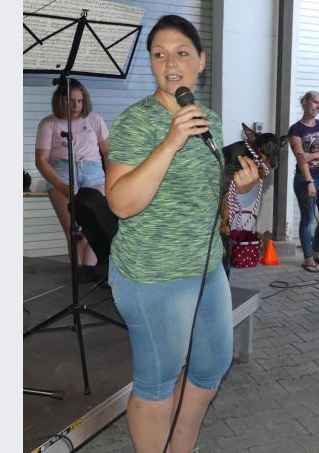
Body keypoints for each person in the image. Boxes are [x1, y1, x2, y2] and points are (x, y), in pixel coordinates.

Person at [104, 15, 260, 452]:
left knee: (211, 366)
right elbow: (120, 202)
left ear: (201, 61)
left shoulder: (208, 118)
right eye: (159, 55)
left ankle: (181, 444)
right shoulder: (136, 123)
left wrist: (239, 187)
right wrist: (170, 142)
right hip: (153, 275)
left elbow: (205, 195)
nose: (170, 63)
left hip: (206, 266)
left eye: (182, 53)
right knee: (158, 382)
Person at [35, 78, 108, 267]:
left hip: (94, 174)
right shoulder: (48, 124)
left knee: (95, 228)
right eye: (71, 100)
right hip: (62, 172)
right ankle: (77, 275)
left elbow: (108, 152)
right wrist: (61, 186)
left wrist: (113, 179)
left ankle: (89, 271)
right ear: (60, 100)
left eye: (80, 101)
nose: (76, 106)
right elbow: (41, 161)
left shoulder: (95, 120)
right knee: (75, 232)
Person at [289, 91, 319, 273]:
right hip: (305, 179)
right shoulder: (296, 129)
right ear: (305, 102)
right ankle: (308, 258)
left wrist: (313, 155)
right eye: (315, 102)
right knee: (308, 219)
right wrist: (309, 181)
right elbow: (301, 159)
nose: (318, 106)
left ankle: (317, 252)